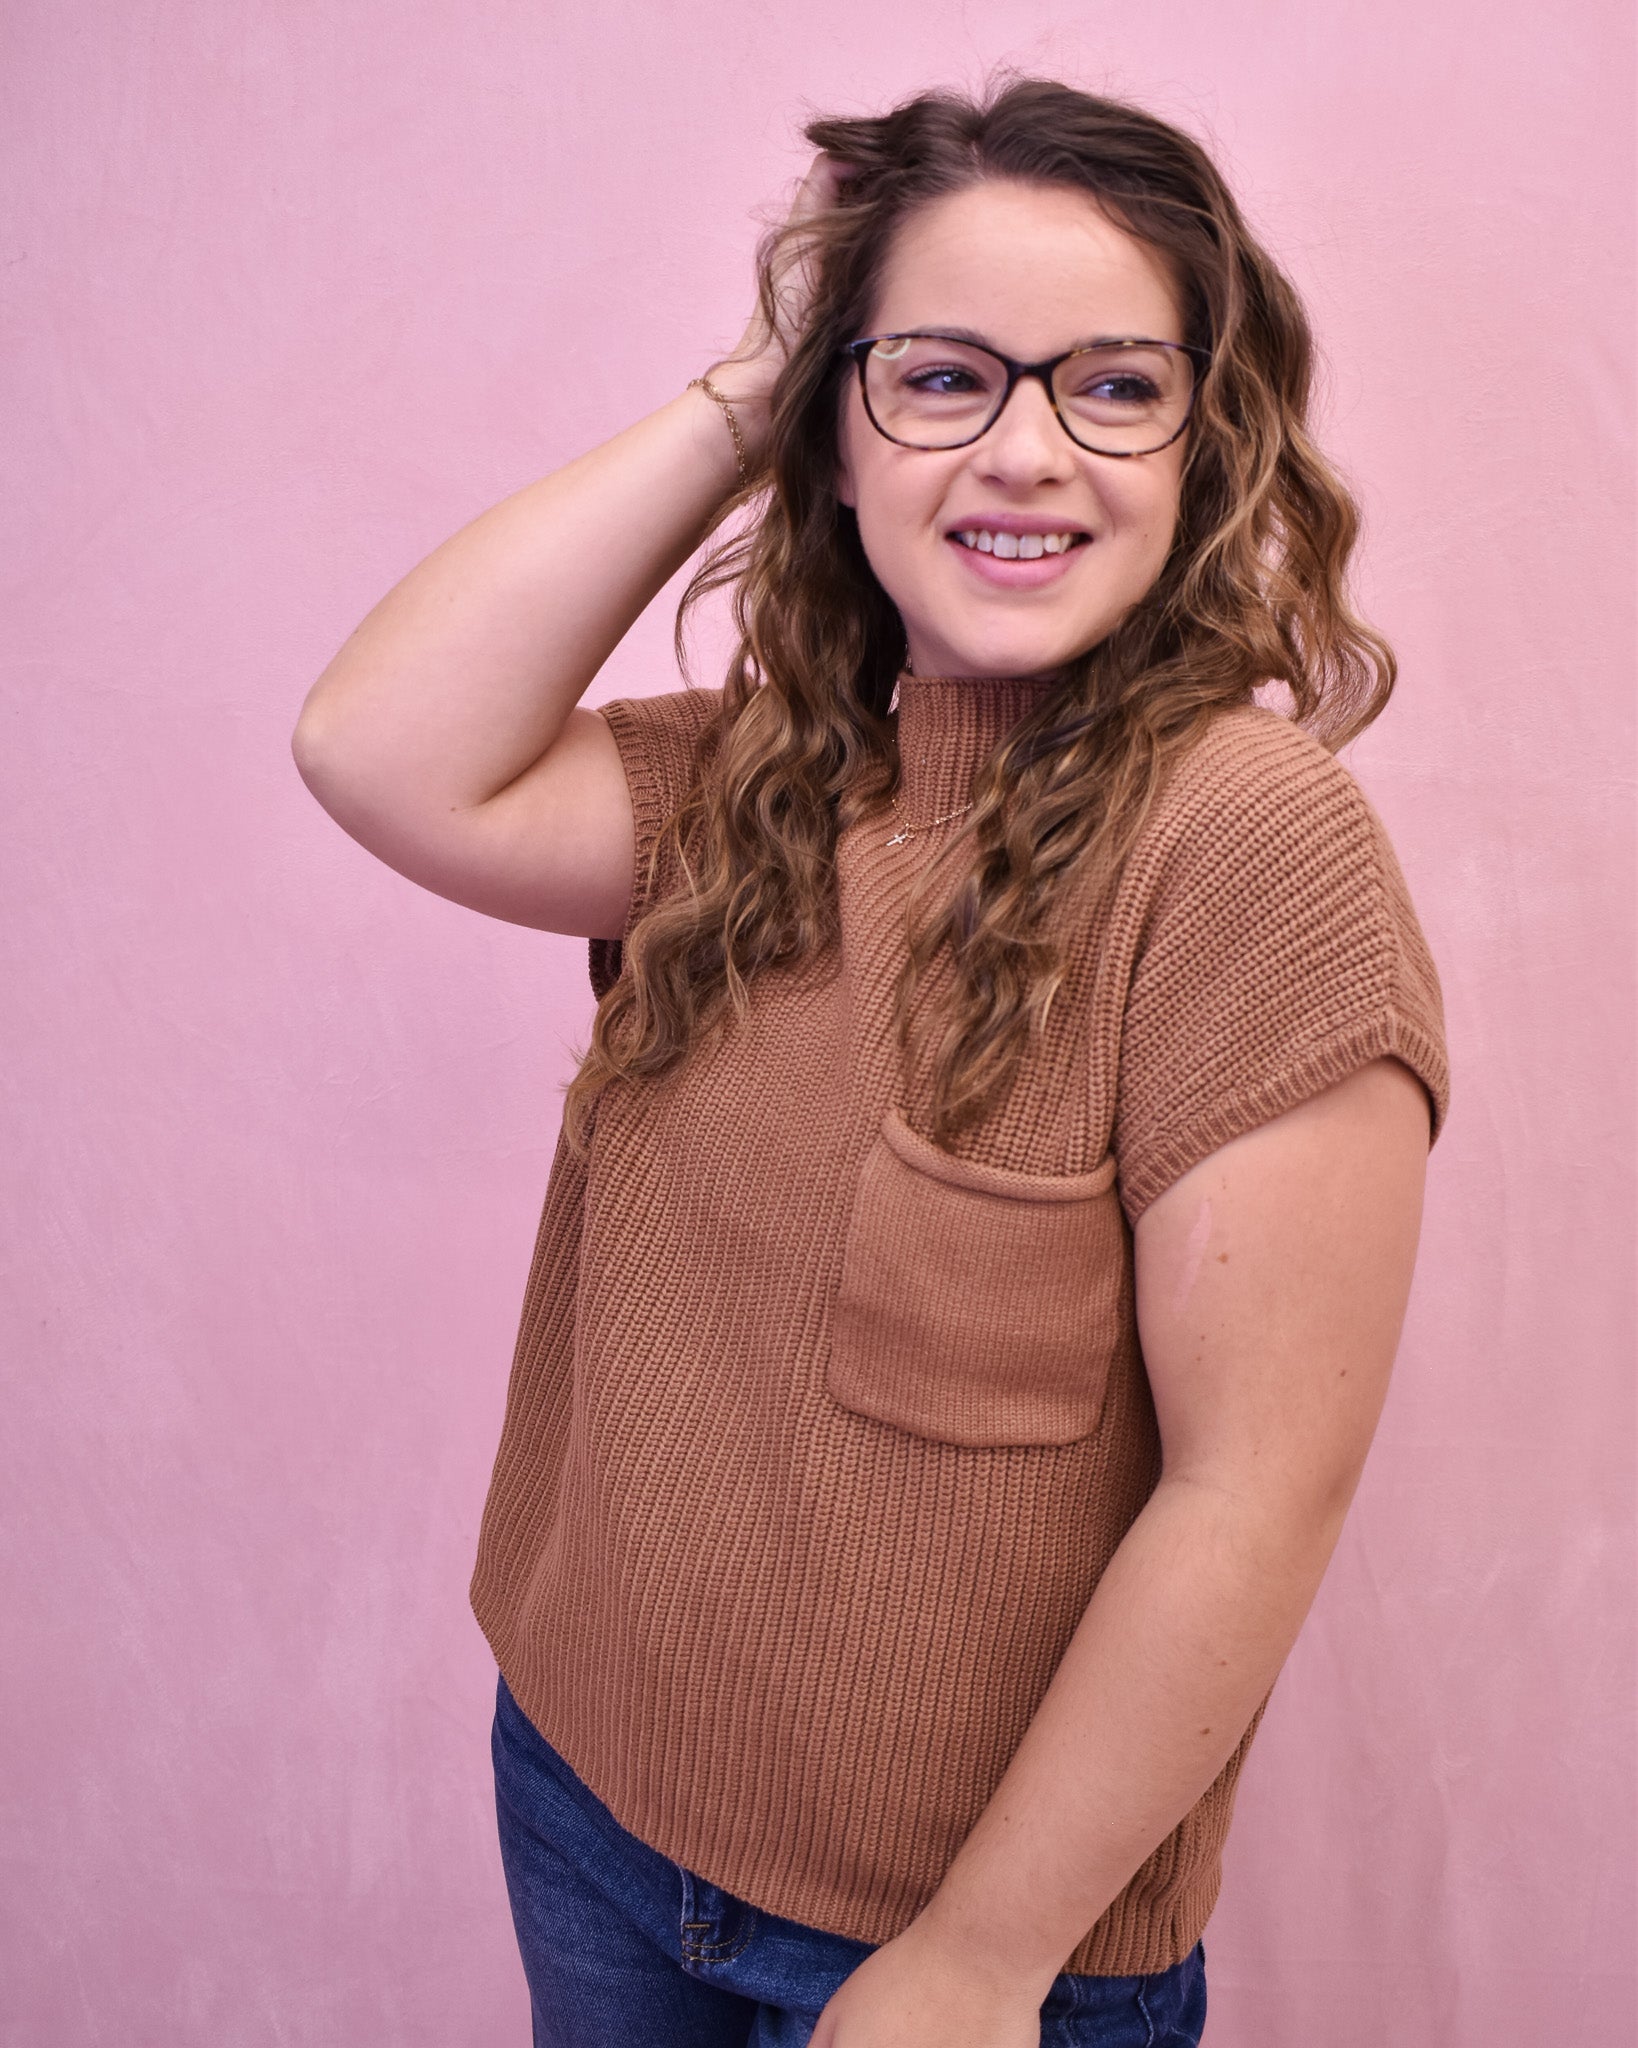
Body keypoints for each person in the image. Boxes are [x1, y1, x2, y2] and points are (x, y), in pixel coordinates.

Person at [293, 76, 1450, 2048]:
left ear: (1200, 440)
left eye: (1111, 385)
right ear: (835, 430)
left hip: (943, 1953)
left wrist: (980, 1960)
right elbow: (380, 746)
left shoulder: (1241, 839)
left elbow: (1257, 1488)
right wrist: (753, 380)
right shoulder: (763, 778)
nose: (1029, 450)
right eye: (939, 379)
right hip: (587, 1805)